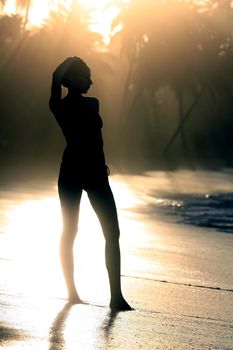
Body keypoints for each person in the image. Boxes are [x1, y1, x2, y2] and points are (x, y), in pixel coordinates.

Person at [49, 56, 131, 311]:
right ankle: (71, 292)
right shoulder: (59, 107)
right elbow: (55, 76)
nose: (91, 81)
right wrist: (68, 61)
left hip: (96, 173)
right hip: (72, 171)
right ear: (72, 79)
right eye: (86, 76)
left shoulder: (94, 104)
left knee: (112, 232)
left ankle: (116, 296)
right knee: (70, 231)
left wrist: (102, 163)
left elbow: (97, 139)